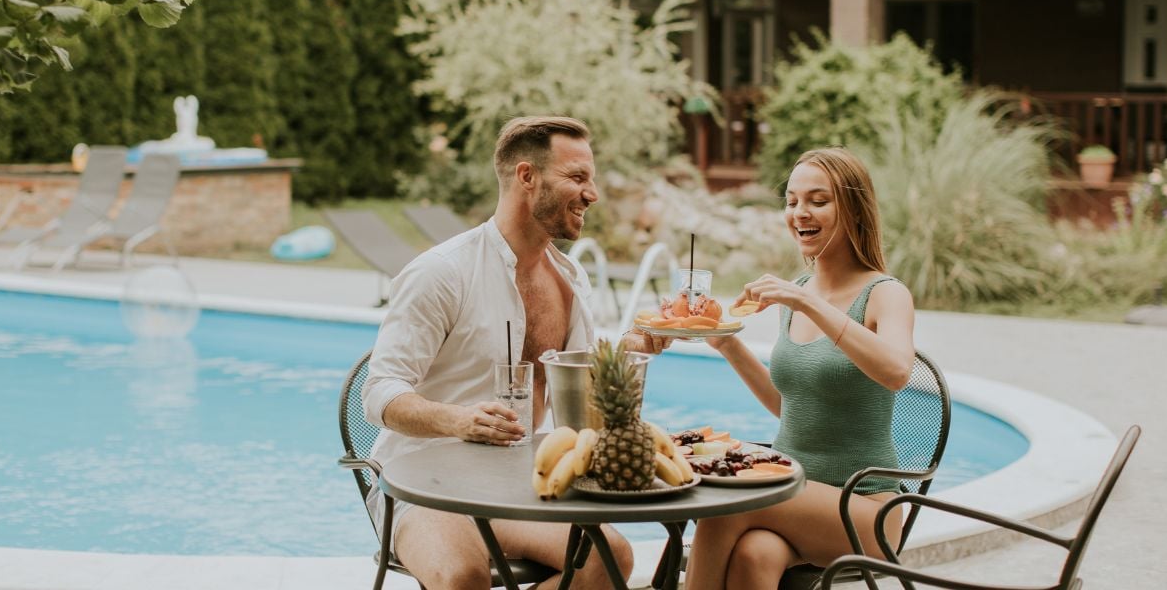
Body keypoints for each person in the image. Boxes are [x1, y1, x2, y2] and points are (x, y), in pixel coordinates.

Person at [361, 115, 670, 590]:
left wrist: (626, 351)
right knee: (463, 576)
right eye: (577, 177)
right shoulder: (442, 273)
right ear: (527, 176)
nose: (592, 193)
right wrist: (458, 420)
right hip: (423, 486)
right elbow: (379, 393)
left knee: (609, 560)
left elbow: (579, 391)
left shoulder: (569, 280)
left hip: (520, 484)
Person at [684, 147, 917, 590]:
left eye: (817, 200)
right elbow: (791, 409)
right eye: (791, 201)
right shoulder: (799, 294)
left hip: (865, 508)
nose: (799, 213)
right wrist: (728, 344)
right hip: (796, 497)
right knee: (754, 557)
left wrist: (808, 301)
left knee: (728, 504)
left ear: (852, 208)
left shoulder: (885, 293)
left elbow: (897, 371)